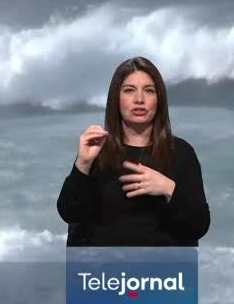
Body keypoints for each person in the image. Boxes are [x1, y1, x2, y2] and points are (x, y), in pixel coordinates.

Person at [57, 56, 210, 246]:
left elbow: (198, 226)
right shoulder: (97, 149)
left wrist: (168, 189)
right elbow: (70, 213)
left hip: (163, 271)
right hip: (104, 272)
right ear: (116, 98)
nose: (139, 99)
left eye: (149, 91)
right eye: (129, 90)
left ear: (159, 99)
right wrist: (82, 164)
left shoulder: (181, 152)